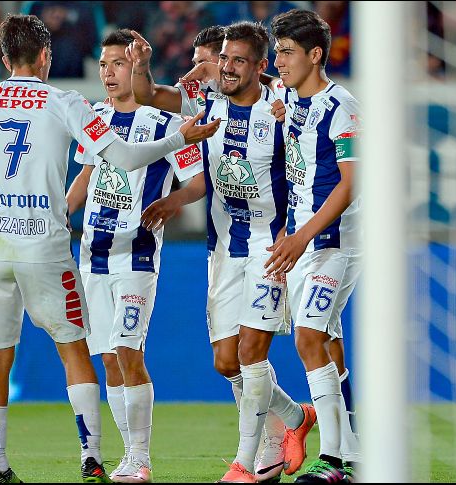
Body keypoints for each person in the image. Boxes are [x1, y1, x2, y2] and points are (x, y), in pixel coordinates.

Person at [0, 14, 219, 484]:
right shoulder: (65, 103)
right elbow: (125, 157)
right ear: (46, 57)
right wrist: (180, 138)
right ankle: (91, 458)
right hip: (44, 247)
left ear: (5, 58)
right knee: (75, 351)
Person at [128, 22, 316, 483]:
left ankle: (244, 464)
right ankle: (295, 418)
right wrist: (142, 65)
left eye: (237, 60)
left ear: (260, 66)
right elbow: (149, 94)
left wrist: (298, 233)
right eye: (224, 58)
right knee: (226, 361)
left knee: (252, 354)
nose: (227, 68)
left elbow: (309, 171)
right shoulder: (205, 104)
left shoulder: (282, 114)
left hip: (269, 249)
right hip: (223, 251)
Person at [65, 29, 207, 484]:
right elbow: (86, 174)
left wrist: (171, 204)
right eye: (104, 64)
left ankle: (139, 457)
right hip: (93, 257)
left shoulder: (165, 123)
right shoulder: (93, 120)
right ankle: (128, 455)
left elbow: (199, 181)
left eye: (118, 64)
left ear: (135, 68)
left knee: (129, 350)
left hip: (138, 257)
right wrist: (57, 214)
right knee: (107, 358)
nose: (109, 73)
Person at [264, 9, 362, 483]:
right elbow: (297, 172)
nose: (277, 61)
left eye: (286, 52)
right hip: (303, 236)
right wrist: (288, 228)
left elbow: (349, 185)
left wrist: (302, 235)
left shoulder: (341, 106)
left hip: (337, 241)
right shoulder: (286, 95)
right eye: (276, 52)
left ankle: (335, 461)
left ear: (315, 54)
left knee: (307, 335)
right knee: (326, 338)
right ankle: (354, 449)